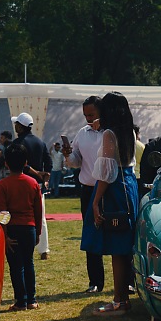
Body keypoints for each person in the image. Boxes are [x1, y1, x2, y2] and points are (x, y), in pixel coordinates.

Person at [81, 92, 139, 316]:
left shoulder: (109, 134)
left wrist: (95, 202)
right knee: (125, 245)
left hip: (113, 188)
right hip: (129, 184)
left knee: (116, 247)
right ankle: (122, 297)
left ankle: (119, 301)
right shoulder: (129, 132)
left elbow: (106, 172)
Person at [62, 96, 106, 294]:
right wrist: (67, 154)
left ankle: (127, 281)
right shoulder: (83, 132)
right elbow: (76, 161)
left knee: (118, 232)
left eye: (92, 114)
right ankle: (95, 281)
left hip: (110, 189)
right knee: (91, 234)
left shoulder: (112, 132)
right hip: (88, 189)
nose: (88, 118)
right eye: (85, 115)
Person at [0, 144, 43, 312]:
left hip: (12, 229)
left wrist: (4, 235)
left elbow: (2, 213)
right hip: (29, 227)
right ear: (26, 162)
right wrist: (38, 232)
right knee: (29, 263)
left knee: (16, 265)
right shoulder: (33, 183)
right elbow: (38, 210)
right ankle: (32, 299)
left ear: (6, 163)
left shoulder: (2, 185)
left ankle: (20, 301)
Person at [11, 112, 52, 260]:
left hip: (21, 183)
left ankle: (21, 246)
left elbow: (21, 164)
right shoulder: (40, 142)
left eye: (16, 124)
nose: (15, 126)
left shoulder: (17, 143)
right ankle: (44, 251)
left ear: (21, 127)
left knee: (19, 216)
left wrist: (36, 173)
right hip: (38, 186)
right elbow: (49, 162)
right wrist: (45, 176)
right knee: (40, 217)